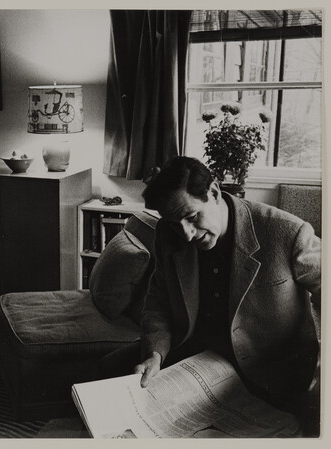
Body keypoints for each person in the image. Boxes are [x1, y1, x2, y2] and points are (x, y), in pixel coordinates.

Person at [134, 156, 321, 415]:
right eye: (175, 224)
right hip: (195, 361)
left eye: (192, 216)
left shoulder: (288, 232)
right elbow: (158, 303)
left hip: (270, 371)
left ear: (214, 192)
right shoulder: (167, 235)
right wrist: (155, 353)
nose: (186, 234)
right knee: (110, 370)